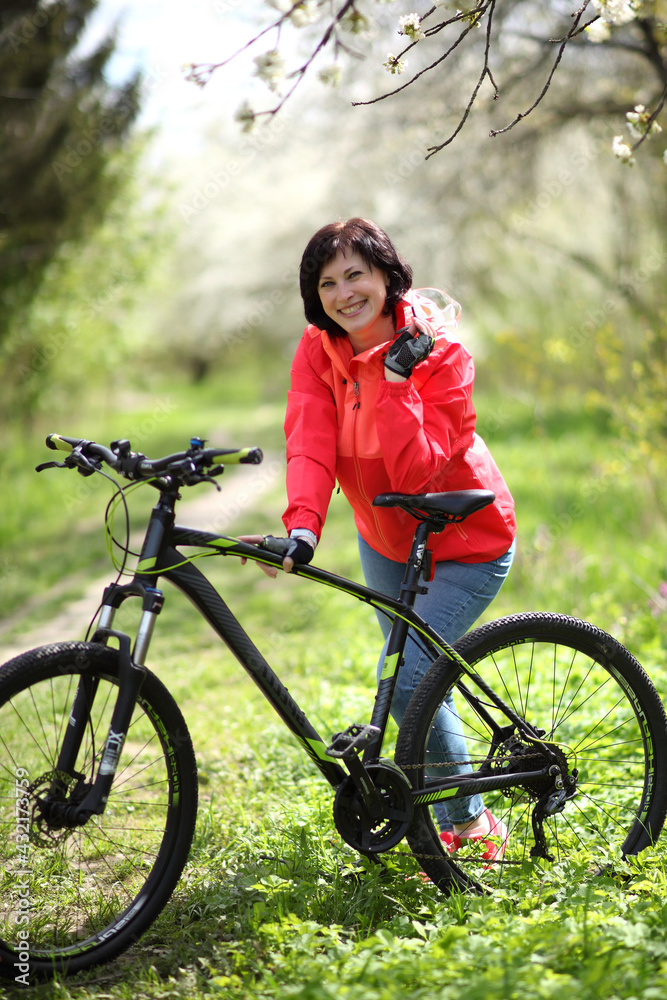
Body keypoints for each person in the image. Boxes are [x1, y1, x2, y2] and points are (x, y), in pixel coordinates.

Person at [241, 218, 516, 858]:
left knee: (414, 670)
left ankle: (471, 822)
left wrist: (395, 386)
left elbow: (421, 471)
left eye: (355, 274)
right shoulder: (318, 349)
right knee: (411, 678)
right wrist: (303, 526)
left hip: (466, 537)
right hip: (386, 542)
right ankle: (459, 814)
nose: (344, 293)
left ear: (386, 275)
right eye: (327, 282)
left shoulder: (439, 352)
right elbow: (309, 441)